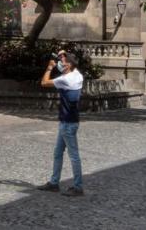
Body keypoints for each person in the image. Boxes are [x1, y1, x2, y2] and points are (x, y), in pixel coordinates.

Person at [37, 50, 84, 196]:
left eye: (63, 62)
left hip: (67, 123)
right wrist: (63, 55)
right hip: (71, 121)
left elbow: (44, 82)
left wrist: (50, 67)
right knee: (58, 153)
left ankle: (78, 187)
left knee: (73, 155)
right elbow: (65, 67)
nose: (60, 64)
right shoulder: (78, 75)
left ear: (69, 65)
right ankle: (54, 182)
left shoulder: (65, 80)